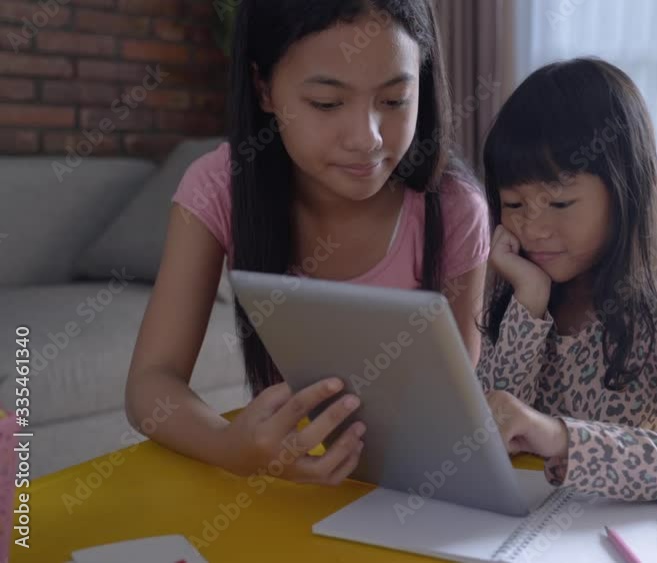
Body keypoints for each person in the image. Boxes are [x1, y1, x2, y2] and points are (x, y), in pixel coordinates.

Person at [125, 0, 488, 487]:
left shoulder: (453, 209)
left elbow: (452, 404)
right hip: (286, 494)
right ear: (263, 88)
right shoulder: (220, 186)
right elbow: (151, 384)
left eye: (395, 100)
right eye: (327, 103)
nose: (367, 138)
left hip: (419, 491)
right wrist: (228, 446)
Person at [477, 57, 657, 502]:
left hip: (622, 535)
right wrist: (529, 301)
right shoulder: (519, 299)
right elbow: (495, 429)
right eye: (514, 205)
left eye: (559, 204)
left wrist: (560, 437)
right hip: (525, 529)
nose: (533, 228)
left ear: (624, 193)